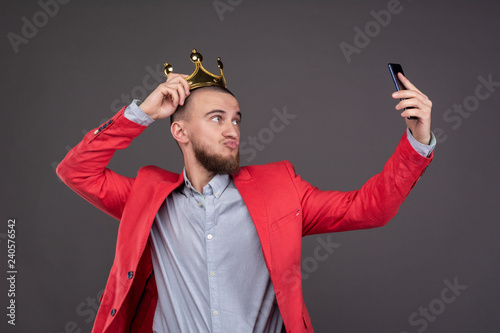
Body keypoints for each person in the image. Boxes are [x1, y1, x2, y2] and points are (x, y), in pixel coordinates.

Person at [57, 50, 435, 333]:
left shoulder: (281, 189)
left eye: (236, 119)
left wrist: (417, 141)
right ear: (180, 132)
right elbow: (76, 170)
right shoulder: (147, 196)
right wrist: (140, 113)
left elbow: (372, 208)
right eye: (216, 118)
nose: (232, 130)